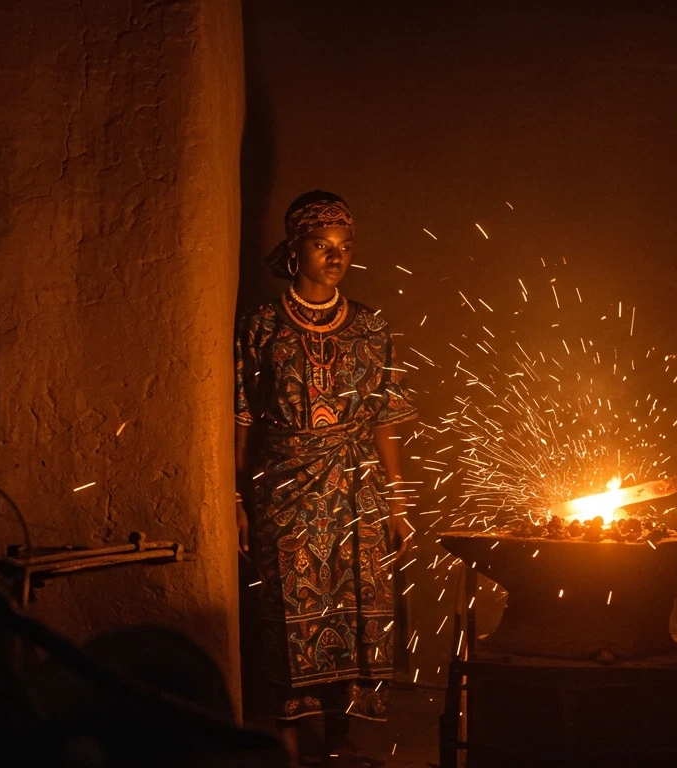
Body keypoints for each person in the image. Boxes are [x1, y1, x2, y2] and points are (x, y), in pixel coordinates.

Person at [234, 191, 417, 766]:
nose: (335, 257)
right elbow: (241, 416)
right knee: (287, 610)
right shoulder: (261, 326)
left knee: (357, 607)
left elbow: (386, 418)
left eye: (344, 247)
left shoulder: (370, 325)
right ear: (295, 250)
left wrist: (396, 500)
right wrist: (235, 497)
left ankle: (341, 739)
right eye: (321, 245)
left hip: (357, 487)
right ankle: (288, 740)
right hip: (283, 488)